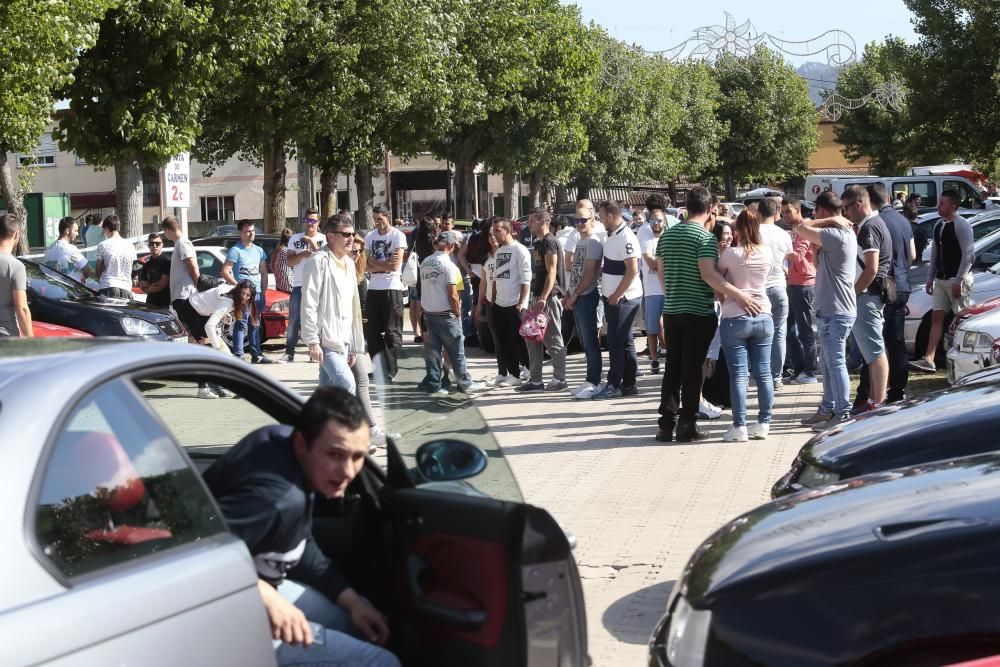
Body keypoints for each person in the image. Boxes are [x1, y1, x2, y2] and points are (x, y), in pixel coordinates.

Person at [203, 386, 400, 667]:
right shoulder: (277, 500)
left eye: (357, 457)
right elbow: (192, 555)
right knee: (381, 662)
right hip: (221, 615)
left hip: (250, 586)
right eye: (334, 454)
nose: (347, 471)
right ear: (301, 444)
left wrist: (352, 601)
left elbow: (296, 543)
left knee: (361, 619)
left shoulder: (279, 442)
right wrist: (266, 597)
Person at [655, 187, 762, 442]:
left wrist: (672, 295)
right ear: (710, 209)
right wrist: (739, 295)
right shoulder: (704, 238)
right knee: (693, 369)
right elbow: (708, 274)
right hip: (698, 311)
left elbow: (661, 272)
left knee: (672, 367)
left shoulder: (667, 236)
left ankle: (665, 424)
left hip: (672, 309)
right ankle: (687, 425)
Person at [794, 191, 858, 431]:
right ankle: (827, 408)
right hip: (831, 309)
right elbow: (816, 265)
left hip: (836, 310)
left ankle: (842, 414)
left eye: (816, 212)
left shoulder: (836, 232)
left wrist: (829, 221)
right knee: (829, 364)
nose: (813, 215)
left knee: (836, 363)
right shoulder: (840, 234)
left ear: (822, 210)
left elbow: (801, 227)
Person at [717, 208, 774, 442]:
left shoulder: (731, 254)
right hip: (763, 314)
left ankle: (739, 425)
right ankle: (764, 422)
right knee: (764, 373)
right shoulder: (767, 252)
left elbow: (717, 280)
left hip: (735, 316)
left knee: (739, 375)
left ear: (738, 229)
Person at [857, 183, 914, 405]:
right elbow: (912, 254)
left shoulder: (875, 223)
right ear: (889, 197)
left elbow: (875, 261)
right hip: (901, 285)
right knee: (896, 341)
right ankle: (898, 391)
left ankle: (869, 396)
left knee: (874, 346)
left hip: (880, 287)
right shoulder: (903, 221)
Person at [840, 184, 892, 410]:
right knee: (874, 351)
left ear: (859, 204)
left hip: (867, 295)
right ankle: (875, 398)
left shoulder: (869, 228)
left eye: (847, 209)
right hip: (871, 294)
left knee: (874, 352)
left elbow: (871, 269)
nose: (845, 214)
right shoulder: (876, 223)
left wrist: (852, 293)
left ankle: (877, 403)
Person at [911, 189, 975, 373]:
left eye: (943, 203)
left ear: (953, 206)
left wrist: (959, 280)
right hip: (941, 279)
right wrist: (930, 278)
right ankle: (928, 359)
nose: (939, 206)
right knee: (936, 317)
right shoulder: (939, 225)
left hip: (957, 279)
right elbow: (935, 254)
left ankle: (964, 358)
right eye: (940, 203)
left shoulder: (962, 225)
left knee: (961, 319)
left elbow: (969, 255)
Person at [301, 214, 366, 392]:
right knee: (347, 385)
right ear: (330, 236)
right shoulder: (317, 262)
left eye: (352, 234)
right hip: (325, 340)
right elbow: (308, 303)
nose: (351, 238)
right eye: (345, 234)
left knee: (327, 391)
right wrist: (312, 341)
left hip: (343, 339)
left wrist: (353, 344)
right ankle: (350, 420)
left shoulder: (349, 263)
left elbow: (352, 306)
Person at [419, 230, 486, 395]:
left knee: (434, 351)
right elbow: (454, 294)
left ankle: (433, 382)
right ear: (451, 245)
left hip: (430, 313)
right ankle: (465, 382)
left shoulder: (425, 262)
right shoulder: (450, 266)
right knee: (457, 352)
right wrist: (456, 314)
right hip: (446, 314)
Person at [590, 201, 642, 400]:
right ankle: (629, 384)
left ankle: (614, 384)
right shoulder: (613, 235)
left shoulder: (626, 237)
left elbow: (633, 270)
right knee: (625, 342)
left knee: (615, 342)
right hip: (615, 298)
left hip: (624, 299)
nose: (600, 221)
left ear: (610, 216)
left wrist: (617, 294)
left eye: (601, 216)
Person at [350, 233, 395, 450]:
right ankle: (366, 432)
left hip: (351, 336)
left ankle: (365, 432)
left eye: (360, 251)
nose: (357, 254)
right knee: (354, 382)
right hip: (339, 337)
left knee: (349, 383)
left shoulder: (358, 275)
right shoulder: (341, 271)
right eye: (354, 250)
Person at [516, 208, 567, 393]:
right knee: (532, 337)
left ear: (542, 221)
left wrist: (544, 298)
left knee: (552, 339)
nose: (528, 224)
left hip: (549, 297)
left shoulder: (550, 242)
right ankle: (535, 380)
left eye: (531, 221)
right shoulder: (539, 243)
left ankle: (560, 379)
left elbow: (552, 271)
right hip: (538, 297)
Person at [563, 205, 605, 399]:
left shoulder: (594, 242)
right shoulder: (581, 242)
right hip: (578, 295)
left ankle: (594, 380)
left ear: (592, 221)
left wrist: (576, 294)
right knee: (585, 342)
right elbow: (576, 271)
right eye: (576, 221)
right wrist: (569, 293)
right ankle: (590, 379)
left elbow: (589, 274)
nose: (579, 224)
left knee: (590, 341)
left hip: (587, 295)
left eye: (583, 220)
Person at [364, 203, 407, 381]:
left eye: (380, 219)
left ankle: (392, 369)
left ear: (387, 216)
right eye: (374, 220)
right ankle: (379, 368)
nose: (377, 223)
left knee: (392, 332)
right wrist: (382, 264)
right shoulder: (369, 236)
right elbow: (363, 265)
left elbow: (395, 266)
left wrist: (373, 262)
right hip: (373, 289)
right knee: (372, 332)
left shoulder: (398, 236)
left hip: (392, 288)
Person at [222, 219, 272, 364]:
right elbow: (225, 271)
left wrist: (263, 291)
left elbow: (263, 272)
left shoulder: (259, 250)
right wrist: (239, 287)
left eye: (253, 230)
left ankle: (257, 355)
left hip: (257, 294)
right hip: (243, 296)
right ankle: (239, 357)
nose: (251, 234)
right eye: (248, 231)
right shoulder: (235, 250)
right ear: (241, 233)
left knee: (255, 324)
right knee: (241, 324)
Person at [756, 197, 793, 390]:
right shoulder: (783, 234)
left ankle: (761, 374)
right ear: (777, 212)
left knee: (758, 334)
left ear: (759, 213)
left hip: (758, 289)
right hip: (779, 286)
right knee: (779, 334)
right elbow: (788, 257)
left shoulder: (753, 232)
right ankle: (776, 377)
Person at [489, 218, 532, 387]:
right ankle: (513, 373)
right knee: (504, 341)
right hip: (500, 303)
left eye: (497, 230)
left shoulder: (520, 250)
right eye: (493, 230)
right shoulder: (499, 252)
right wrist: (493, 301)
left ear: (507, 231)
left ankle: (529, 369)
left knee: (519, 340)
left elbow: (526, 278)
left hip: (515, 303)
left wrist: (522, 302)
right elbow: (496, 279)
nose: (494, 234)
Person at [781, 198, 818, 384]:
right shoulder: (794, 230)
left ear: (798, 210)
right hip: (792, 282)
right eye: (783, 212)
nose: (785, 215)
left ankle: (810, 371)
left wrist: (776, 250)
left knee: (805, 330)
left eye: (788, 211)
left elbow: (797, 255)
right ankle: (799, 368)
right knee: (789, 330)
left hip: (804, 284)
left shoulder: (804, 229)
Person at [282, 210, 326, 362]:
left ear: (318, 223)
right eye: (307, 220)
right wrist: (302, 254)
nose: (310, 223)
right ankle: (289, 353)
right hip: (299, 284)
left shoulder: (324, 239)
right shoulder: (295, 238)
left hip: (318, 284)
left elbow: (325, 260)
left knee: (317, 319)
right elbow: (289, 262)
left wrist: (311, 244)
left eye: (313, 220)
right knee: (294, 320)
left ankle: (314, 352)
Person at [638, 207, 667, 374]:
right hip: (652, 290)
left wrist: (660, 265)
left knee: (670, 326)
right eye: (653, 221)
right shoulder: (646, 237)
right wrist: (664, 264)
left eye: (659, 220)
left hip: (669, 289)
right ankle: (654, 360)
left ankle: (669, 355)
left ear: (664, 222)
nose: (656, 224)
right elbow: (651, 263)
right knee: (651, 328)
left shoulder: (669, 237)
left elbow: (659, 265)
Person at [0, 214, 33, 337]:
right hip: (5, 335)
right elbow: (22, 309)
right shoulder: (15, 266)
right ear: (17, 234)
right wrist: (32, 341)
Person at [407, 216, 438, 344]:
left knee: (417, 303)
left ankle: (419, 332)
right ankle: (430, 332)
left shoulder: (416, 236)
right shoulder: (433, 240)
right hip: (431, 273)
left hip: (417, 272)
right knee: (430, 304)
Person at [94, 215, 136, 299]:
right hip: (126, 288)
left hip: (107, 286)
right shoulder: (130, 245)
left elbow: (98, 271)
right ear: (119, 228)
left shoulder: (103, 245)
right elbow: (133, 266)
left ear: (106, 228)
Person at [43, 217, 92, 284]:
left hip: (52, 290)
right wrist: (83, 277)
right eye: (76, 231)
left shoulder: (48, 249)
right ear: (67, 231)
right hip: (70, 290)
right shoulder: (71, 249)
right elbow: (87, 271)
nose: (77, 234)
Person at [137, 232, 171, 307]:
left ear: (162, 244)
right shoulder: (146, 264)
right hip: (149, 302)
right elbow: (142, 285)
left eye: (157, 243)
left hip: (164, 303)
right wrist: (152, 286)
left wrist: (148, 287)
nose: (154, 246)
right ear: (149, 246)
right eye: (151, 244)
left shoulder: (167, 261)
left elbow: (162, 285)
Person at [271, 228, 294, 294]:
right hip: (288, 285)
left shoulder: (278, 250)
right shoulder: (285, 251)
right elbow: (295, 266)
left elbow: (272, 266)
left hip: (280, 285)